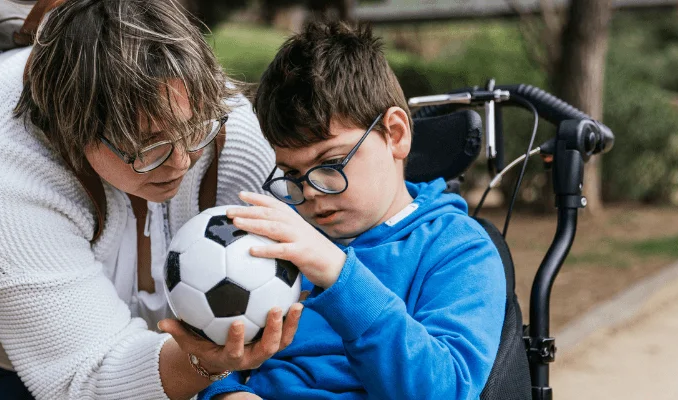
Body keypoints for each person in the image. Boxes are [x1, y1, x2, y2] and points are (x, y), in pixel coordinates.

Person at [0, 1, 302, 399]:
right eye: (148, 147)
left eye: (193, 130)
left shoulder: (220, 120)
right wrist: (204, 366)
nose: (180, 160)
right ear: (73, 131)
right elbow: (83, 378)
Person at [201, 22, 507, 400]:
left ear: (395, 134)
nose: (310, 190)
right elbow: (228, 350)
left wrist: (339, 275)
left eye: (331, 162)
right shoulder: (282, 233)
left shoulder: (458, 249)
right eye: (292, 173)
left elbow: (444, 391)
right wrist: (226, 391)